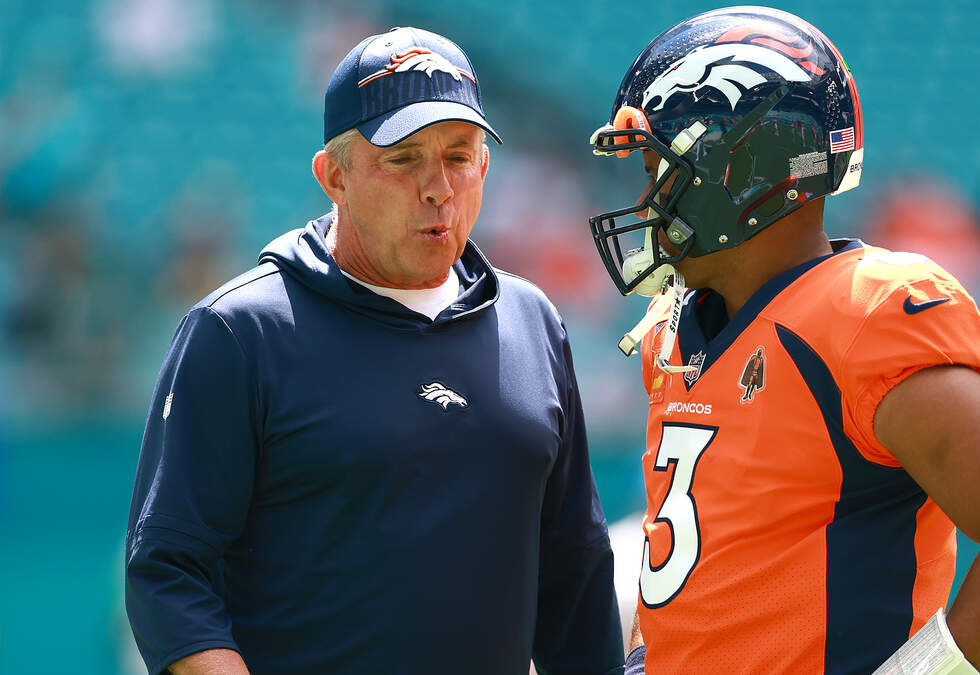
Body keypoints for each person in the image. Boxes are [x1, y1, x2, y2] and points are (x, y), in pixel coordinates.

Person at [585, 7, 980, 674]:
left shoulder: (863, 316)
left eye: (661, 165)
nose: (647, 194)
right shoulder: (678, 325)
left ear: (738, 167)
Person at [125, 26, 624, 675]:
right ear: (333, 175)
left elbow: (574, 574)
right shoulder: (239, 331)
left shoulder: (531, 321)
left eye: (459, 154)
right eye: (403, 157)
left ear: (486, 166)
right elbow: (167, 574)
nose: (438, 186)